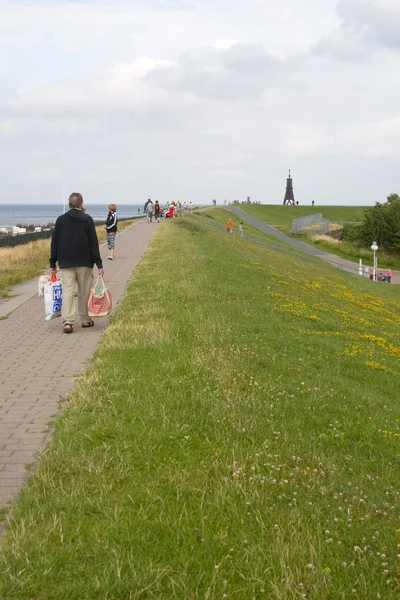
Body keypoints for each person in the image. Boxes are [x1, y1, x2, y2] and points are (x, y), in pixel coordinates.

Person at [50, 192, 104, 334]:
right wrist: (99, 264)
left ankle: (68, 321)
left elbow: (54, 242)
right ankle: (86, 319)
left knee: (68, 291)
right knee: (84, 291)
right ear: (81, 204)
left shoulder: (60, 220)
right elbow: (94, 243)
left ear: (69, 205)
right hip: (85, 261)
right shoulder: (87, 220)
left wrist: (52, 263)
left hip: (66, 261)